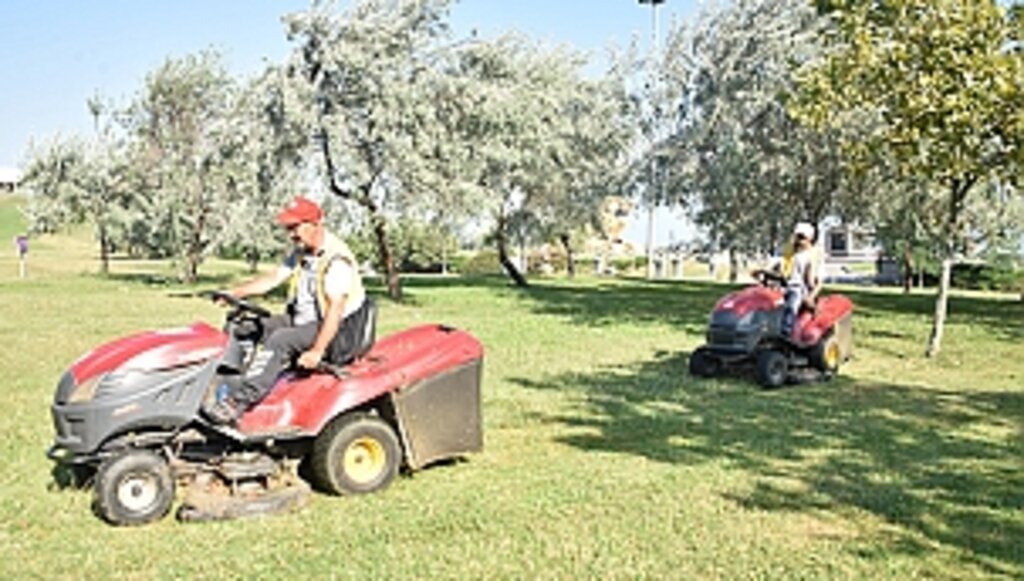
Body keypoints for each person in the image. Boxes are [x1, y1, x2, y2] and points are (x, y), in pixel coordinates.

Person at [203, 196, 371, 424]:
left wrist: (317, 352)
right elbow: (273, 279)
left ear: (315, 224)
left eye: (295, 227)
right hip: (304, 319)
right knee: (243, 327)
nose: (291, 234)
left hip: (335, 331)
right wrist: (235, 293)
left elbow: (335, 310)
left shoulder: (336, 259)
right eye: (288, 229)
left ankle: (239, 402)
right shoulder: (303, 252)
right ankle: (225, 383)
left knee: (280, 340)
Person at [779, 221, 823, 340]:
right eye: (797, 236)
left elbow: (817, 282)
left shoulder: (812, 256)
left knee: (793, 301)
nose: (798, 240)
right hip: (784, 286)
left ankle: (786, 332)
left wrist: (811, 297)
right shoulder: (790, 253)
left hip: (800, 288)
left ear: (810, 238)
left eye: (801, 237)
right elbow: (782, 273)